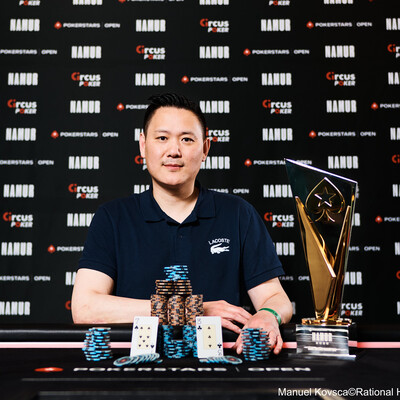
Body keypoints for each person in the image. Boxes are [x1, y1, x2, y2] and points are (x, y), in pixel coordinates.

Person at [71, 93, 292, 355]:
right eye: (162, 138)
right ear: (143, 145)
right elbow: (85, 308)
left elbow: (274, 297)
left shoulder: (238, 214)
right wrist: (193, 310)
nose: (174, 151)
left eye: (187, 139)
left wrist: (267, 315)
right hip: (135, 365)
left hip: (220, 364)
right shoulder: (112, 217)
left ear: (205, 148)